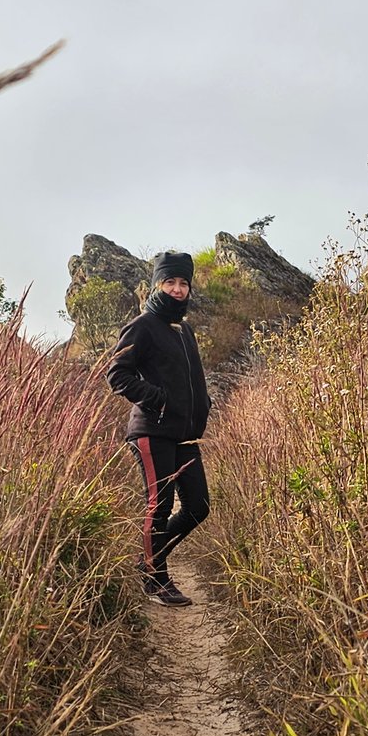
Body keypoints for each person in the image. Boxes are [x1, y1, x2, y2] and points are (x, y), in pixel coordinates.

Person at [107, 250, 211, 606]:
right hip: (152, 429)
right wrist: (158, 399)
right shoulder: (143, 325)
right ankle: (155, 579)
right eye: (170, 282)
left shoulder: (185, 330)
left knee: (198, 506)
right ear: (157, 285)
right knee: (160, 504)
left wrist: (202, 409)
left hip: (185, 433)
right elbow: (117, 374)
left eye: (183, 283)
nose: (178, 289)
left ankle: (149, 559)